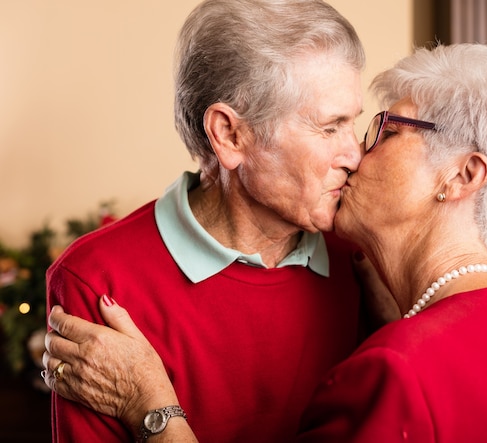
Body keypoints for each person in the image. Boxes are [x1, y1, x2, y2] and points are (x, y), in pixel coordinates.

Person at [44, 43, 487, 442]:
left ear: (459, 178)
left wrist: (152, 407)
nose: (357, 153)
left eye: (386, 130)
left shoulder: (394, 370)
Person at [44, 1, 372, 442]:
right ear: (230, 134)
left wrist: (150, 411)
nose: (355, 155)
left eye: (355, 122)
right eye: (330, 127)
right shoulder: (96, 281)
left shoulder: (362, 259)